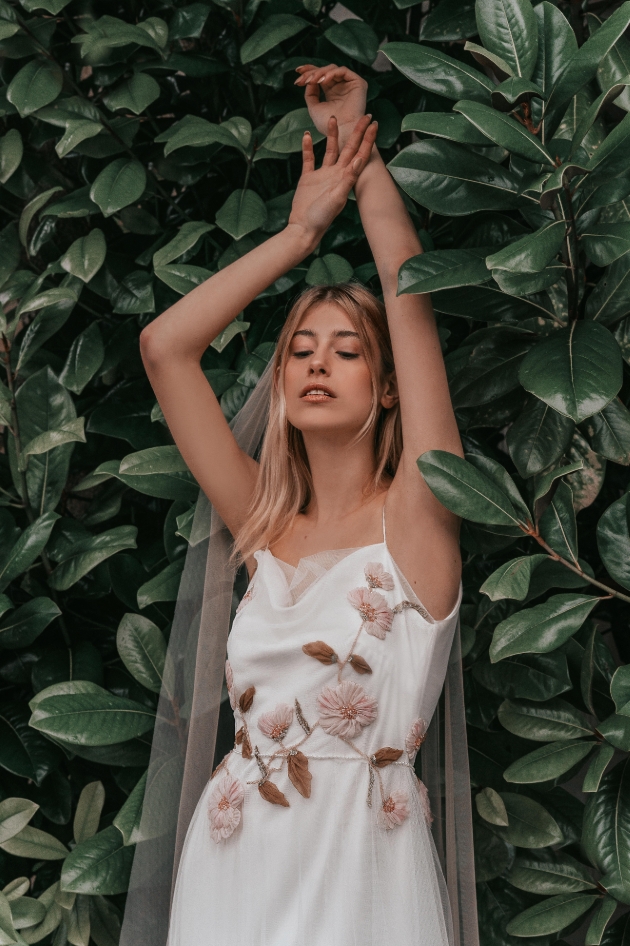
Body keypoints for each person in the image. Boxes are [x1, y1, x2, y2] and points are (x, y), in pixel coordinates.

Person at [139, 63, 465, 946]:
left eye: (348, 351)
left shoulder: (420, 521)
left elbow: (411, 298)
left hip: (358, 881)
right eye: (301, 351)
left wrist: (362, 159)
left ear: (390, 389)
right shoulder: (263, 528)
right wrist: (296, 233)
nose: (318, 364)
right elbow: (167, 347)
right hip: (235, 862)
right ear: (280, 383)